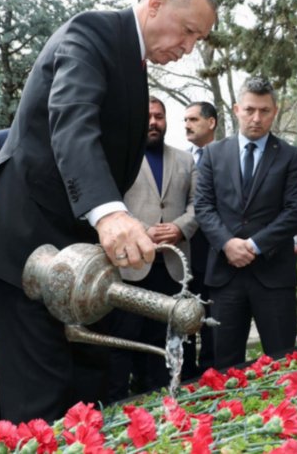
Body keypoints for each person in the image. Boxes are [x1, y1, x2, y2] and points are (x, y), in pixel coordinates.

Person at [0, 0, 217, 423]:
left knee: (86, 394)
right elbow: (72, 124)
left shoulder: (135, 67)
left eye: (198, 39)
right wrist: (109, 214)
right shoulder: (90, 34)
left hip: (77, 257)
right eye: (189, 31)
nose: (189, 47)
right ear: (156, 4)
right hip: (26, 245)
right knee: (37, 400)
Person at [194, 77, 297, 369]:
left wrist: (255, 246)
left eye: (265, 111)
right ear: (236, 109)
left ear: (275, 111)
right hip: (225, 275)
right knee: (224, 367)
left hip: (273, 276)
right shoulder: (212, 154)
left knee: (284, 365)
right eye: (250, 110)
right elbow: (204, 207)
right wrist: (227, 244)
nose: (256, 118)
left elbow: (295, 211)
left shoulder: (290, 156)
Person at [109, 96, 199, 398]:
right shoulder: (121, 158)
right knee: (125, 340)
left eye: (159, 117)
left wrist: (179, 228)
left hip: (172, 269)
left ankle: (164, 403)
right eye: (148, 116)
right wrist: (139, 229)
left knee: (167, 342)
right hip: (131, 267)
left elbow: (197, 204)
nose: (153, 122)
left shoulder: (185, 160)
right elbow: (111, 203)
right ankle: (120, 405)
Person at [184, 100, 218, 371]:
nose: (187, 125)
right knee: (184, 316)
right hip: (183, 255)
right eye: (185, 120)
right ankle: (183, 374)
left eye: (194, 119)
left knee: (213, 319)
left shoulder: (227, 157)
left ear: (211, 122)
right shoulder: (181, 159)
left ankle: (211, 372)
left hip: (217, 253)